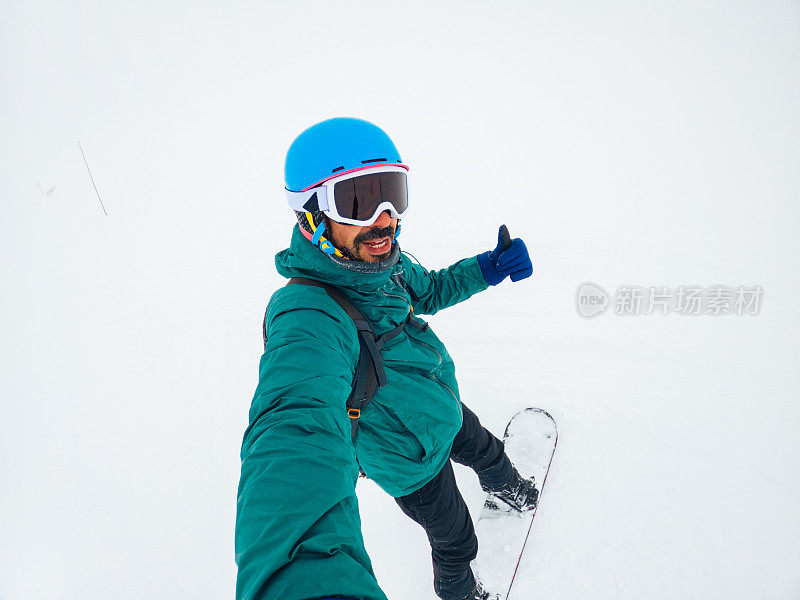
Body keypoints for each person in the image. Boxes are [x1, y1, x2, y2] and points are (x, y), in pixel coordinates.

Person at [235, 117, 536, 600]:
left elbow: (432, 289)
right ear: (311, 214)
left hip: (439, 405)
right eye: (357, 201)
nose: (384, 219)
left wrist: (488, 268)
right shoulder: (307, 313)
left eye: (392, 193)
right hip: (407, 460)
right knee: (457, 540)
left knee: (484, 448)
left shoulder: (383, 263)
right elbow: (293, 429)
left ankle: (510, 487)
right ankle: (460, 592)